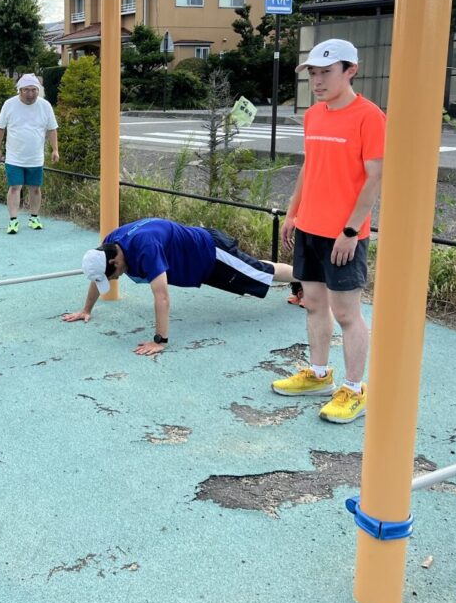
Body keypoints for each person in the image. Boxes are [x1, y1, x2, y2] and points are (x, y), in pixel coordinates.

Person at [274, 39, 386, 424]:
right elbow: (310, 166)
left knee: (347, 313)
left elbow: (375, 177)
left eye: (326, 72)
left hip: (345, 234)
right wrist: (293, 212)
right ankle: (318, 374)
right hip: (310, 227)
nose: (317, 81)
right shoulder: (313, 115)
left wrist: (351, 230)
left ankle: (355, 389)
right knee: (313, 303)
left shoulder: (368, 116)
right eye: (313, 74)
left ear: (350, 70)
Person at [62, 218, 295, 356]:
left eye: (110, 276)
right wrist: (86, 310)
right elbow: (97, 275)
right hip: (198, 263)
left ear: (113, 261)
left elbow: (162, 296)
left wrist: (159, 341)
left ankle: (309, 279)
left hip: (211, 253)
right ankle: (303, 284)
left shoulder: (146, 247)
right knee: (258, 270)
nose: (112, 280)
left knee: (263, 273)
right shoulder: (110, 244)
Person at [0, 73, 59, 234]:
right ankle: (13, 220)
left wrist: (55, 149)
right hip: (15, 156)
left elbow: (52, 129)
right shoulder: (10, 104)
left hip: (36, 157)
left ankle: (34, 217)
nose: (30, 94)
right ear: (20, 90)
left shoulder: (45, 105)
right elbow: (0, 128)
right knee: (15, 187)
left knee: (35, 188)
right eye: (27, 90)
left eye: (34, 90)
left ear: (39, 90)